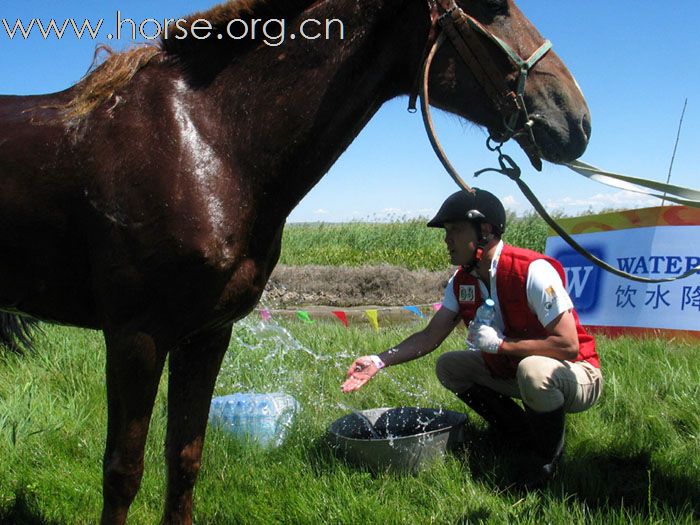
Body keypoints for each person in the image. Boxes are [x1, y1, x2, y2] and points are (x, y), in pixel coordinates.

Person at [341, 188, 603, 487]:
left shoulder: (532, 271)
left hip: (578, 373)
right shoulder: (462, 280)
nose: (446, 239)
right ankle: (518, 433)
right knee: (449, 366)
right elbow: (430, 336)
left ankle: (546, 459)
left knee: (533, 370)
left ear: (485, 231)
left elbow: (568, 346)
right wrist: (378, 361)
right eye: (446, 231)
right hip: (512, 370)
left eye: (455, 230)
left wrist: (501, 345)